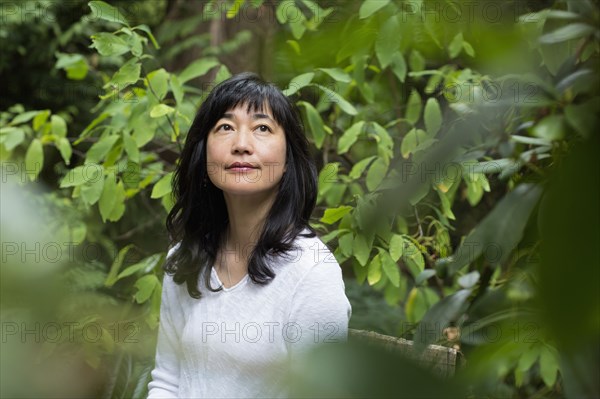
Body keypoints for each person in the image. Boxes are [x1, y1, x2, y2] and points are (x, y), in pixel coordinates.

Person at [147, 72, 352, 398]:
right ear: (204, 154)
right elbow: (168, 382)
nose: (241, 145)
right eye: (225, 127)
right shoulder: (185, 260)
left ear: (288, 161)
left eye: (262, 128)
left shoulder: (311, 274)